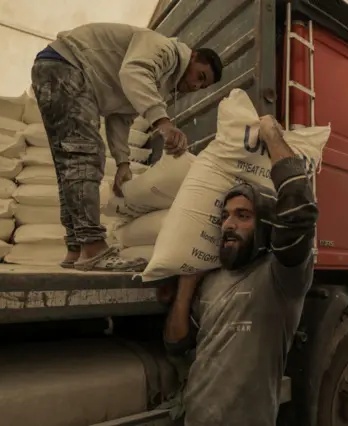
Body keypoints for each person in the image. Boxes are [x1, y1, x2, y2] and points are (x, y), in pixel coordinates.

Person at [162, 116, 319, 426]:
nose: (228, 224)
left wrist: (272, 135)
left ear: (263, 225)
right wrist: (185, 288)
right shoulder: (210, 281)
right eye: (225, 216)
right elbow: (176, 345)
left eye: (242, 215)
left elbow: (300, 210)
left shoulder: (281, 279)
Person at [31, 23, 223, 271]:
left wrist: (123, 162)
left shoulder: (160, 81)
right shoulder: (165, 49)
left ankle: (76, 247)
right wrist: (163, 122)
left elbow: (120, 116)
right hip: (67, 67)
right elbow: (133, 73)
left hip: (57, 68)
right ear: (193, 56)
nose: (197, 86)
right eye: (200, 76)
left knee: (70, 163)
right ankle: (92, 247)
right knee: (84, 158)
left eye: (203, 86)